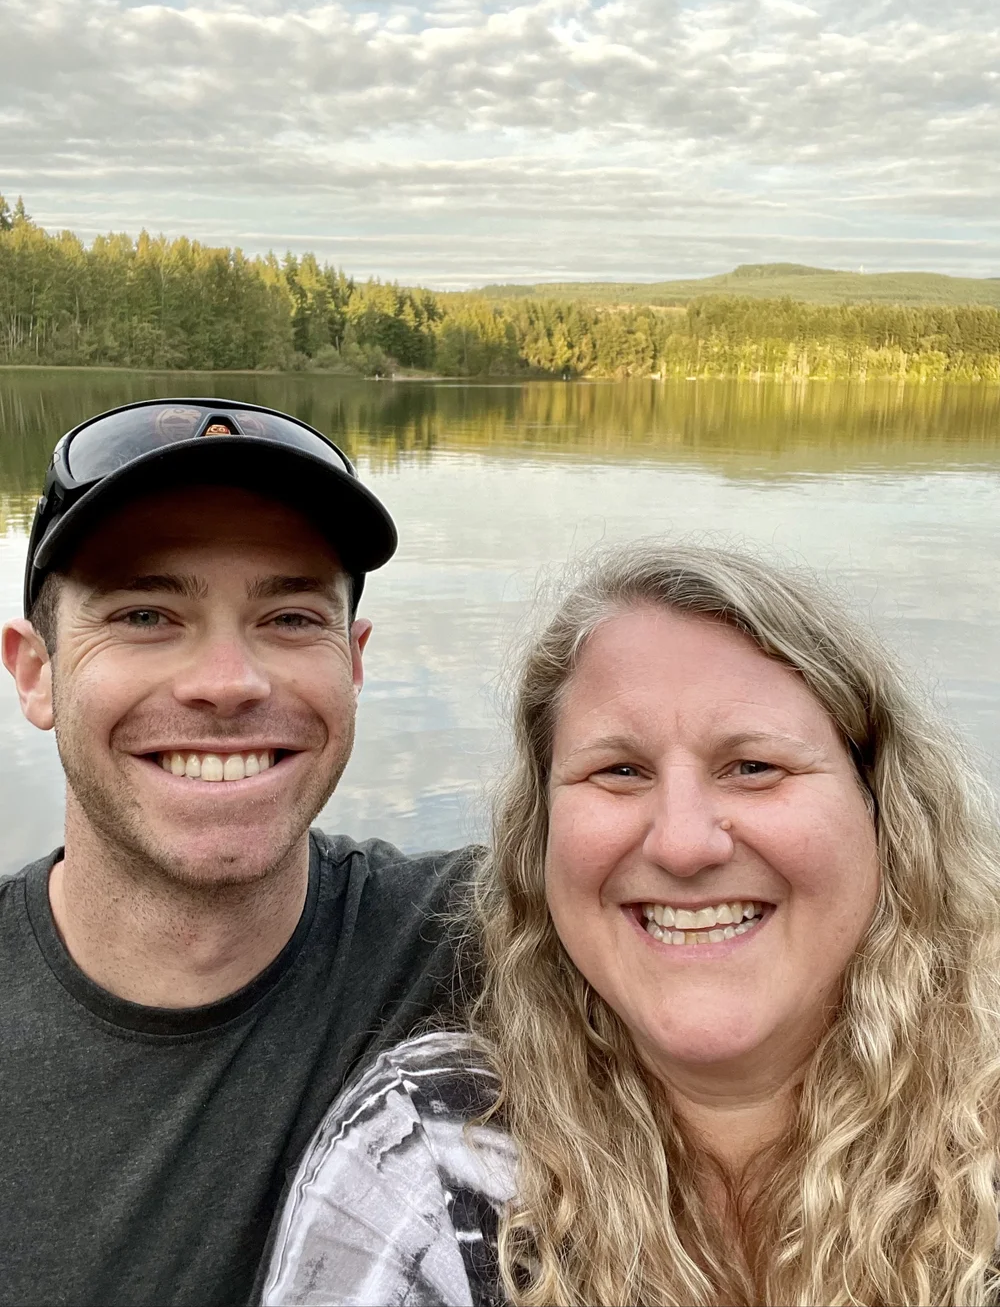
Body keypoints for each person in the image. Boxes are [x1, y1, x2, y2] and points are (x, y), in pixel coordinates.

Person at [262, 542, 1000, 1307]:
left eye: (754, 766)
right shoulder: (437, 1156)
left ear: (883, 809)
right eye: (619, 771)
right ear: (539, 839)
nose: (683, 843)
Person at [0, 399, 474, 1307]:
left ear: (355, 661)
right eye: (145, 614)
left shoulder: (484, 943)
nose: (228, 683)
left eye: (292, 617)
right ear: (36, 671)